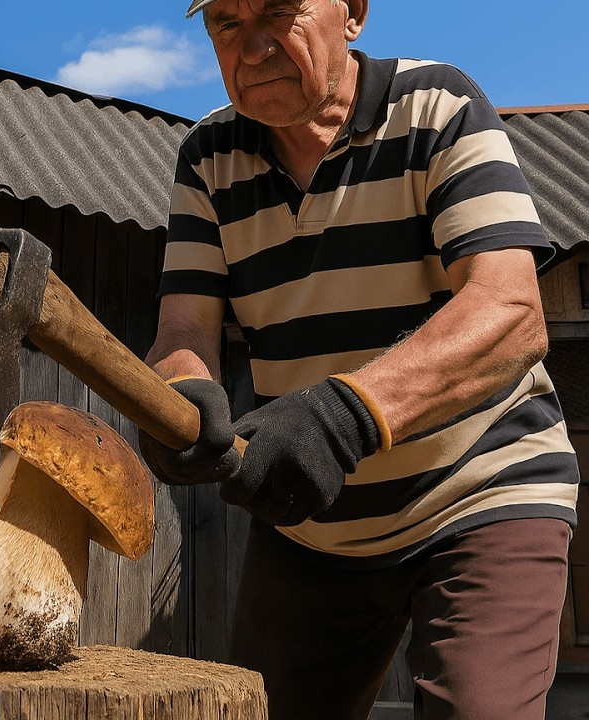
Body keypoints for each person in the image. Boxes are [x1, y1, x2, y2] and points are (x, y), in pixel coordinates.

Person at [142, 1, 581, 718]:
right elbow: (183, 327)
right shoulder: (207, 157)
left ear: (352, 12)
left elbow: (509, 314)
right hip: (314, 521)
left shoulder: (438, 106)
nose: (252, 47)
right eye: (225, 21)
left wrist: (342, 416)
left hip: (479, 494)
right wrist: (175, 398)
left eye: (279, 10)